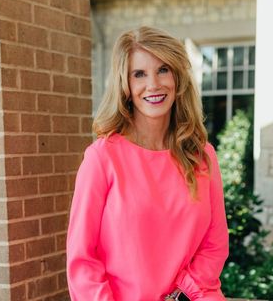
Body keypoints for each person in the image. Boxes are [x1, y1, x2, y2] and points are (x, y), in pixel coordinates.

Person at [66, 26, 229, 301]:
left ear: (177, 78)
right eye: (139, 74)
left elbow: (215, 244)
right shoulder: (102, 158)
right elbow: (83, 260)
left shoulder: (202, 155)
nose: (153, 84)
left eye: (163, 69)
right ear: (125, 86)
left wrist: (182, 295)